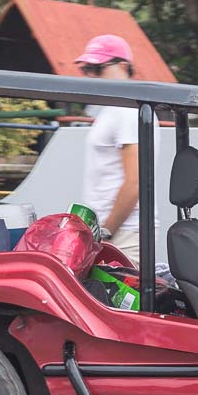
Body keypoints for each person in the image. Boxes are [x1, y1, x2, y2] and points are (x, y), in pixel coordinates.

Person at [74, 34, 149, 264]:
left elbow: (135, 182)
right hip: (111, 233)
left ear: (123, 66)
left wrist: (105, 232)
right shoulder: (113, 108)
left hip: (122, 235)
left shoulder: (127, 110)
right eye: (86, 69)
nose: (90, 75)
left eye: (98, 68)